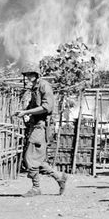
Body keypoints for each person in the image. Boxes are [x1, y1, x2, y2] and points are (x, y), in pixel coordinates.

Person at [13, 64, 68, 197]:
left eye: (29, 76)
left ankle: (36, 188)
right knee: (36, 158)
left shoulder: (44, 86)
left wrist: (26, 111)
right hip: (35, 126)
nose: (26, 79)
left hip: (41, 127)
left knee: (29, 158)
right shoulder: (34, 89)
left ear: (36, 76)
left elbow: (47, 107)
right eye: (25, 76)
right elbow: (34, 107)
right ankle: (59, 177)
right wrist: (24, 112)